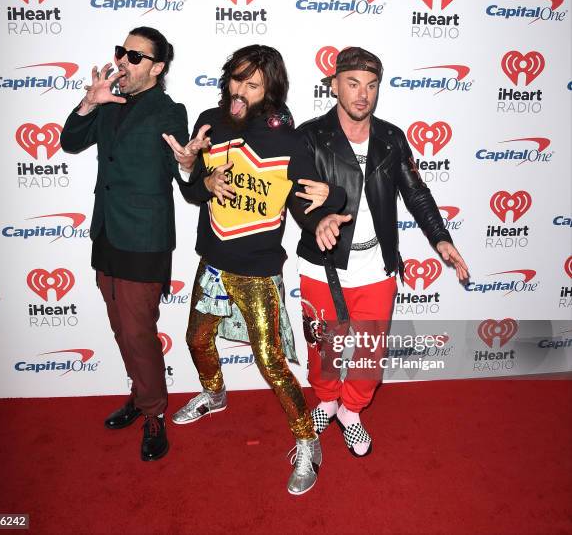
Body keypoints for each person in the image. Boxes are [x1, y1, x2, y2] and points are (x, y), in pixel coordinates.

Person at [162, 45, 337, 495]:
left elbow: (306, 204)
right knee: (196, 338)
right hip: (213, 263)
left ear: (270, 92)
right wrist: (197, 175)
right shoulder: (211, 122)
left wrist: (327, 210)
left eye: (252, 84)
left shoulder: (289, 141)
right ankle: (215, 394)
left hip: (258, 272)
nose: (239, 90)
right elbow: (196, 194)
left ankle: (307, 440)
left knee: (272, 363)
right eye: (236, 79)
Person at [291, 47, 469, 457]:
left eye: (371, 86)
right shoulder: (310, 135)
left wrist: (440, 237)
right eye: (353, 84)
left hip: (376, 266)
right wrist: (317, 220)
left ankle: (351, 410)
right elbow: (297, 195)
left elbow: (416, 193)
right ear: (334, 85)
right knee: (325, 348)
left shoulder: (391, 138)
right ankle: (327, 401)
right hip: (324, 264)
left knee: (369, 352)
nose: (362, 95)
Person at [60, 26, 193, 462]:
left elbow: (186, 171)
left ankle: (154, 413)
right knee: (121, 328)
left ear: (157, 67)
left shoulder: (169, 111)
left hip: (145, 238)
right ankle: (140, 395)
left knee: (138, 330)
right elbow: (69, 142)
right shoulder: (107, 103)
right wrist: (87, 103)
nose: (123, 61)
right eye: (122, 52)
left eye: (135, 57)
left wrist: (191, 164)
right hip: (107, 232)